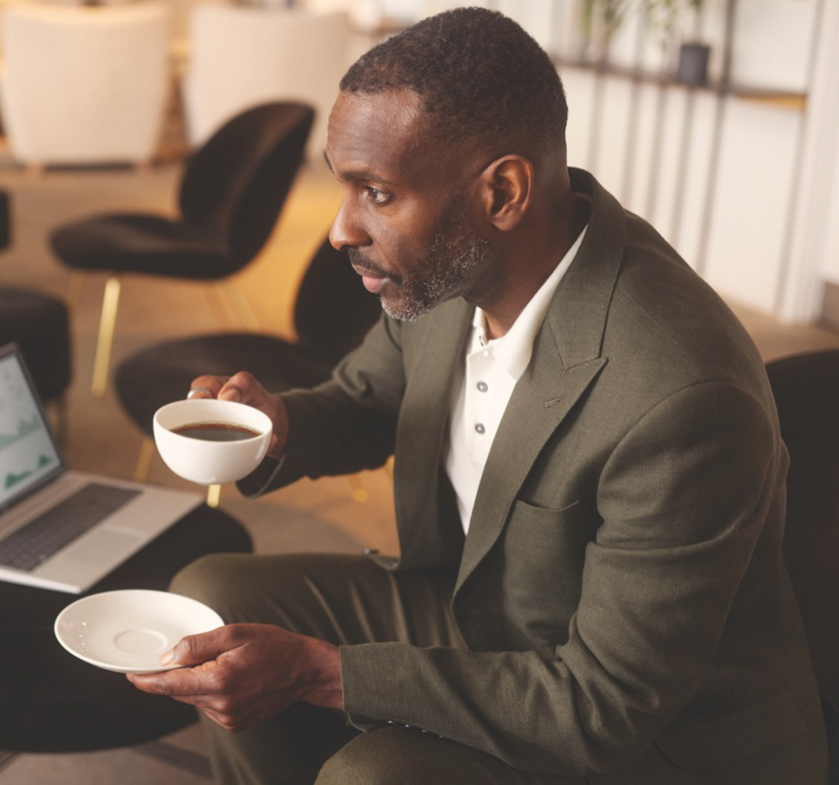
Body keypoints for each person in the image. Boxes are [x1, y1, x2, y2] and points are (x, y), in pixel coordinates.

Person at [126, 8, 827, 784]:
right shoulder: (451, 277)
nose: (339, 229)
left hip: (653, 733)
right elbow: (369, 397)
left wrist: (320, 671)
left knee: (372, 773)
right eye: (343, 186)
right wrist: (276, 424)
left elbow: (603, 704)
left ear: (502, 192)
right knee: (209, 599)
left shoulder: (681, 396)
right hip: (481, 613)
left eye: (377, 193)